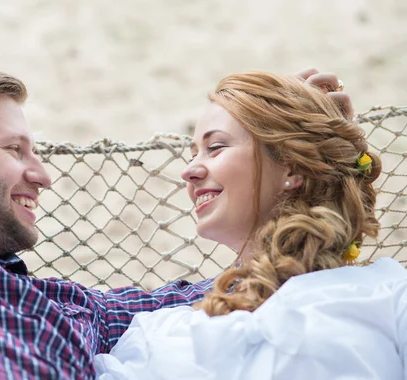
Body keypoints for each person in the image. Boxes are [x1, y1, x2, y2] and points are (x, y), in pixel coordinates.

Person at [0, 63, 349, 379]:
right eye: (16, 149)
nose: (42, 175)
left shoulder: (69, 310)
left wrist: (305, 157)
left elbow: (252, 282)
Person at [94, 71, 406, 379]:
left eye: (215, 147)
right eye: (192, 154)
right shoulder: (157, 335)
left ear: (292, 166)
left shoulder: (388, 293)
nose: (188, 171)